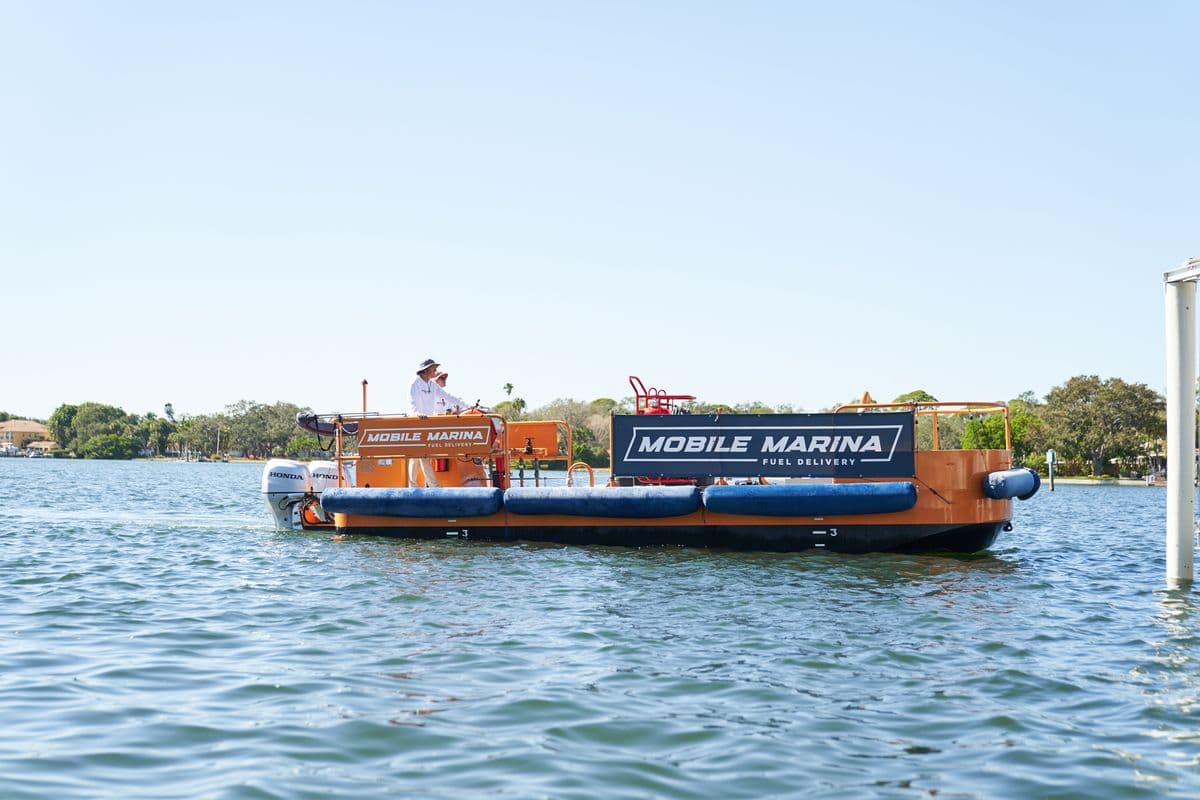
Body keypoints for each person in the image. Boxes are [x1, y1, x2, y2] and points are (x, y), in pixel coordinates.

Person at [408, 358, 465, 487]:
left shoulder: (432, 385)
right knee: (423, 455)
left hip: (428, 423)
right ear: (426, 370)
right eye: (433, 368)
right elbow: (412, 403)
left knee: (417, 456)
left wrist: (466, 405)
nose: (435, 370)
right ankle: (433, 485)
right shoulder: (414, 383)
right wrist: (417, 414)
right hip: (417, 423)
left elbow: (448, 396)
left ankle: (412, 485)